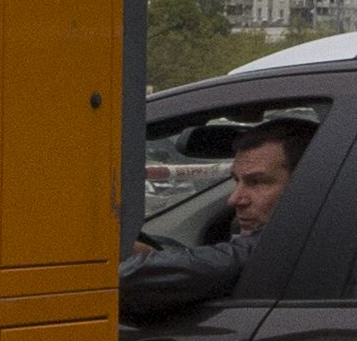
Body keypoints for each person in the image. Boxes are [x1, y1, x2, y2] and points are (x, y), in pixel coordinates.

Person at [121, 114, 314, 323]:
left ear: (306, 185)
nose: (234, 199)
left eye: (257, 182)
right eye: (236, 181)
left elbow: (130, 278)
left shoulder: (288, 247)